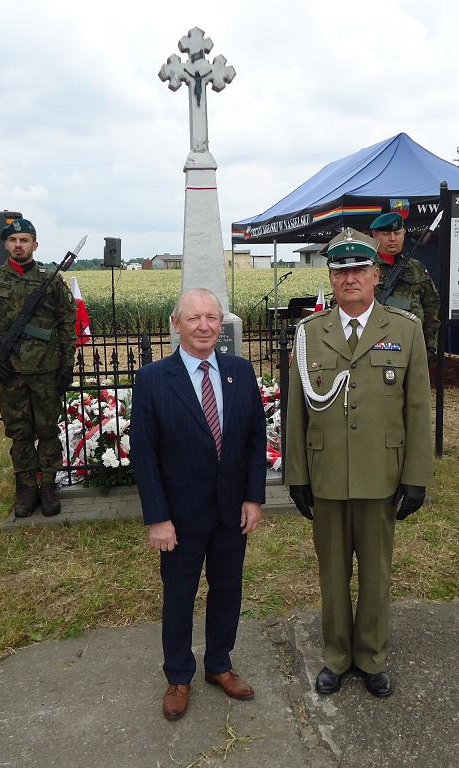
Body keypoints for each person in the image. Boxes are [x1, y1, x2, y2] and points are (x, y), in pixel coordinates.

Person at [286, 227, 433, 699]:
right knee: (332, 573)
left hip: (380, 474)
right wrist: (297, 476)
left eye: (359, 270)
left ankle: (371, 657)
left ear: (375, 275)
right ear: (331, 278)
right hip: (327, 473)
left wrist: (416, 476)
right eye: (340, 270)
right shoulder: (309, 334)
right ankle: (336, 656)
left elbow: (418, 409)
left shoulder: (405, 330)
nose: (350, 278)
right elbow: (295, 409)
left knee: (376, 573)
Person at [131, 287, 266, 721]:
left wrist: (253, 497)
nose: (204, 326)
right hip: (180, 517)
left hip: (231, 512)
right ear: (176, 324)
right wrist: (158, 519)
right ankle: (178, 675)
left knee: (227, 589)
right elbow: (145, 455)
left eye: (212, 317)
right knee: (179, 596)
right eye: (194, 318)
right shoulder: (153, 379)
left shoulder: (240, 372)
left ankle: (219, 664)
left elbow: (255, 440)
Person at [0, 217, 76, 518]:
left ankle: (48, 486)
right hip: (10, 372)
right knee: (20, 433)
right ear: (5, 245)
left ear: (35, 245)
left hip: (46, 371)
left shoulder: (51, 280)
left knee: (48, 431)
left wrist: (67, 364)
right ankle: (26, 489)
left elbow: (67, 323)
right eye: (13, 240)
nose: (18, 245)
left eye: (24, 240)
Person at [368, 212, 441, 370]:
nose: (392, 239)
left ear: (403, 234)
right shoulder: (364, 267)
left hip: (412, 346)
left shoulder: (416, 267)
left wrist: (429, 345)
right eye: (386, 234)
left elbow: (431, 306)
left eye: (397, 233)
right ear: (374, 235)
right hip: (374, 348)